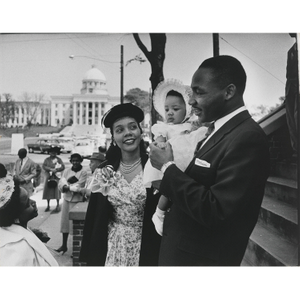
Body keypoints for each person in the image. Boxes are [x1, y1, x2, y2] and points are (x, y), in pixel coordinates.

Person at [149, 55, 270, 266]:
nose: (192, 100)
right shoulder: (214, 131)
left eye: (199, 92)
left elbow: (218, 211)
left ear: (229, 92)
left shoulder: (247, 137)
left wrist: (167, 167)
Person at [79, 103, 161, 266]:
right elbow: (93, 216)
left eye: (132, 127)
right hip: (112, 247)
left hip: (148, 247)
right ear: (114, 139)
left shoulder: (155, 168)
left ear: (140, 131)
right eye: (119, 130)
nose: (127, 133)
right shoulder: (104, 171)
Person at [143, 79, 208, 235]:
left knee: (182, 187)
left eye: (175, 108)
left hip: (186, 163)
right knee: (168, 190)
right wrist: (159, 144)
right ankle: (159, 213)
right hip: (170, 161)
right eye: (167, 109)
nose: (170, 113)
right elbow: (159, 142)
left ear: (187, 110)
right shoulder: (164, 128)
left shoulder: (192, 127)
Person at [0, 163, 58, 266]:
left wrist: (30, 233)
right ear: (15, 216)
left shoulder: (14, 230)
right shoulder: (18, 250)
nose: (34, 203)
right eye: (27, 204)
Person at [56, 153, 87, 255]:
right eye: (73, 160)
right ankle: (64, 245)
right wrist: (69, 187)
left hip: (77, 201)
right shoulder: (66, 171)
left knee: (74, 225)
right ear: (71, 161)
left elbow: (79, 186)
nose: (75, 162)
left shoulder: (83, 172)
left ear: (80, 161)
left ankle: (76, 249)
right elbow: (61, 184)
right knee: (65, 223)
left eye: (77, 160)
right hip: (67, 199)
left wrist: (67, 186)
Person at [42, 146, 65, 212]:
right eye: (51, 152)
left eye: (54, 152)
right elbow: (44, 166)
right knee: (48, 191)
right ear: (49, 153)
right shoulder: (47, 160)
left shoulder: (59, 159)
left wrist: (57, 169)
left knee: (57, 191)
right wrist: (50, 169)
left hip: (56, 176)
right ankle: (48, 205)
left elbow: (63, 167)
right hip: (49, 176)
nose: (53, 153)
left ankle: (57, 205)